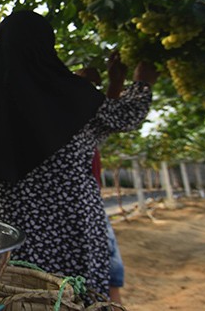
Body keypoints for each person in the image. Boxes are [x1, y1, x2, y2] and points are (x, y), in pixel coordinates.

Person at [0, 10, 157, 297]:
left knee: (34, 302)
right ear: (47, 47)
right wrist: (141, 83)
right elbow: (125, 115)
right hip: (80, 236)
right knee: (81, 301)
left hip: (22, 250)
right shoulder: (73, 97)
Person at [75, 63, 126, 304]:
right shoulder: (73, 128)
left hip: (92, 209)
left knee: (111, 273)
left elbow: (106, 117)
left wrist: (115, 85)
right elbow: (119, 115)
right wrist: (139, 84)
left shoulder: (86, 130)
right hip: (86, 213)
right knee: (108, 272)